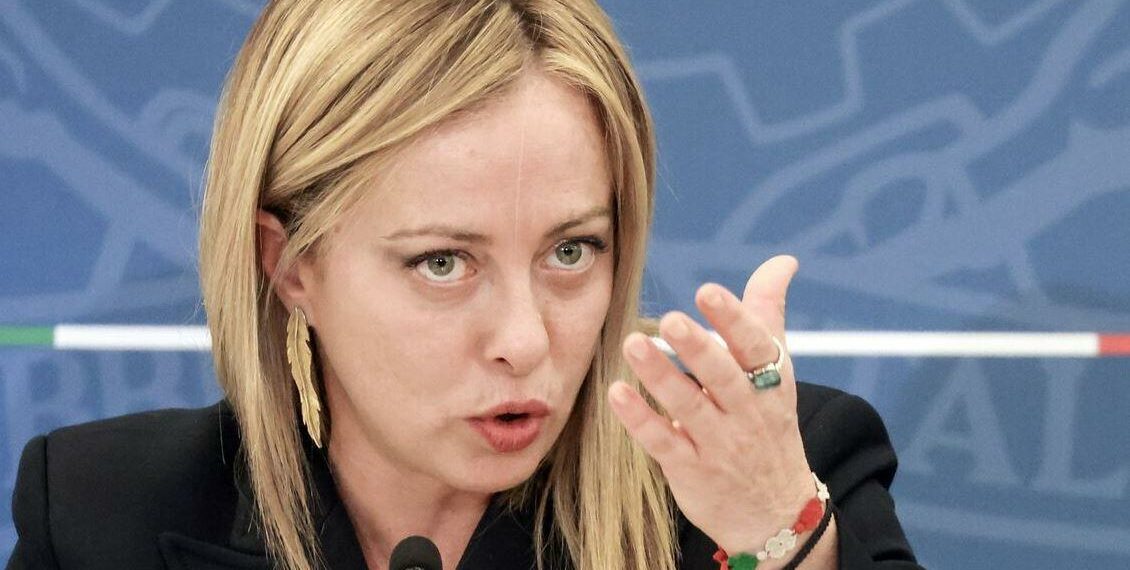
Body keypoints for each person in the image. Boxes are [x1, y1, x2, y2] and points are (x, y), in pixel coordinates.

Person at [7, 1, 921, 569]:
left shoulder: (786, 481)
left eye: (572, 251)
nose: (525, 339)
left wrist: (778, 539)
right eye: (443, 263)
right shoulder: (103, 514)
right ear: (290, 265)